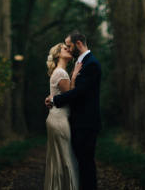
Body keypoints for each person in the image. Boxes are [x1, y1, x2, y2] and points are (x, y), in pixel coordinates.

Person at [45, 32, 102, 190]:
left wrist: (55, 99)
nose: (68, 49)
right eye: (65, 48)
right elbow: (69, 91)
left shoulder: (91, 64)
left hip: (86, 123)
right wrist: (54, 97)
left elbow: (79, 93)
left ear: (78, 44)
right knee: (77, 162)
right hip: (73, 121)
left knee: (84, 164)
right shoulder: (80, 63)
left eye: (69, 46)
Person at [44, 43, 81, 190]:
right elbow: (71, 97)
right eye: (66, 48)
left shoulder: (59, 72)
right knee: (65, 159)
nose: (69, 50)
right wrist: (75, 76)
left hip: (56, 117)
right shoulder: (61, 73)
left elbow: (58, 95)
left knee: (59, 159)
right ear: (59, 54)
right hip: (59, 119)